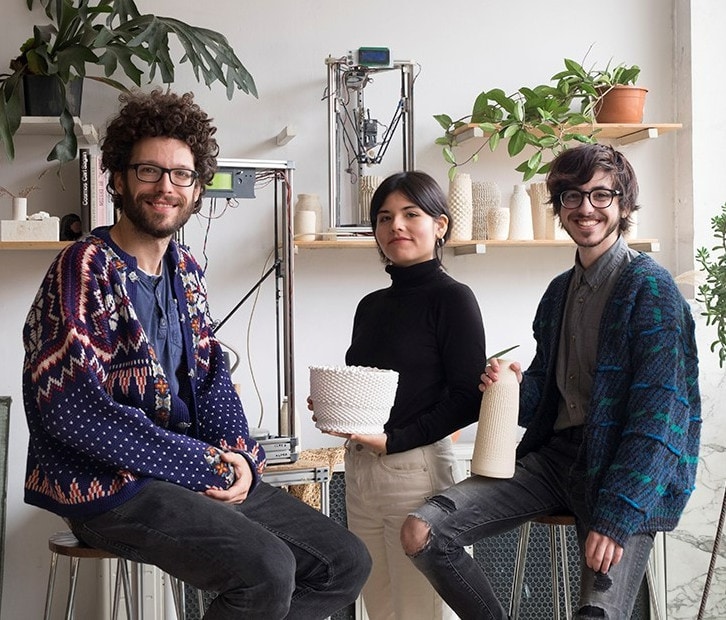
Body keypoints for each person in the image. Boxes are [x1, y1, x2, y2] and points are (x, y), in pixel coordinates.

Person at [22, 89, 371, 620]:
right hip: (106, 482)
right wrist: (200, 462)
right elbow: (74, 412)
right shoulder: (83, 268)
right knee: (267, 569)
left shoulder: (186, 271)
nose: (166, 187)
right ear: (117, 178)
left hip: (185, 469)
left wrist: (243, 461)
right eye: (149, 171)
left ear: (197, 187)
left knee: (345, 562)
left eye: (181, 174)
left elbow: (212, 382)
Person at [400, 144, 701, 620]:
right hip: (556, 460)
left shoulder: (651, 290)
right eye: (572, 196)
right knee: (423, 532)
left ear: (624, 205)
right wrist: (511, 389)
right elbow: (547, 391)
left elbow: (660, 423)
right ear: (559, 207)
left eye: (602, 196)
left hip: (625, 474)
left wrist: (616, 518)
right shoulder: (559, 291)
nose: (586, 208)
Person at [313, 171, 487, 619]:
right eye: (385, 218)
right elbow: (367, 388)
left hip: (416, 472)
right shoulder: (370, 306)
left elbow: (468, 398)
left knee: (422, 611)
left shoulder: (454, 299)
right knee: (379, 609)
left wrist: (393, 441)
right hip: (360, 471)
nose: (396, 227)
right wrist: (335, 404)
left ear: (441, 225)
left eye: (412, 214)